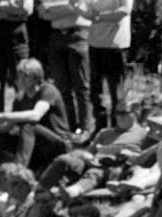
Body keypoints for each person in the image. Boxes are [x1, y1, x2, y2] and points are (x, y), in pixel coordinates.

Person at [0, 59, 73, 172]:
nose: (21, 80)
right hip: (36, 147)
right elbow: (7, 128)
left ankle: (17, 173)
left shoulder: (48, 90)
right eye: (19, 76)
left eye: (25, 76)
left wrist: (5, 115)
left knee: (28, 126)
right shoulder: (20, 99)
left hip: (58, 144)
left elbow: (36, 115)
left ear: (36, 77)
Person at [39, 0, 95, 136]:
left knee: (82, 86)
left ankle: (85, 128)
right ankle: (67, 127)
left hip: (79, 35)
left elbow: (80, 8)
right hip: (57, 36)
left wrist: (54, 9)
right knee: (61, 86)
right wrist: (68, 6)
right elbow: (43, 13)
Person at [0, 0, 33, 117]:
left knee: (20, 75)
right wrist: (10, 9)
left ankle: (22, 115)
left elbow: (26, 9)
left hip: (16, 32)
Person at [88, 0, 133, 129]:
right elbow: (86, 10)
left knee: (117, 93)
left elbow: (125, 10)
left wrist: (99, 17)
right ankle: (100, 128)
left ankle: (117, 128)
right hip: (95, 44)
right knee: (96, 92)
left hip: (115, 46)